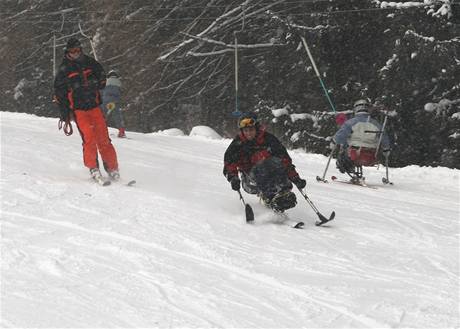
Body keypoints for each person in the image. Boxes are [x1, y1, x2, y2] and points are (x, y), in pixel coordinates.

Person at [53, 38, 120, 182]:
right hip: (79, 110)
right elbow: (60, 94)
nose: (75, 54)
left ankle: (112, 168)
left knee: (103, 139)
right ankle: (93, 167)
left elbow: (102, 75)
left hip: (94, 106)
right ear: (68, 52)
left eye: (78, 50)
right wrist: (65, 114)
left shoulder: (90, 62)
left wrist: (99, 82)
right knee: (89, 138)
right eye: (72, 51)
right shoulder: (64, 70)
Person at [223, 113, 306, 212]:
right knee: (262, 164)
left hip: (271, 176)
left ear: (257, 128)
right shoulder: (237, 144)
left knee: (274, 162)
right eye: (246, 131)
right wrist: (233, 178)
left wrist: (295, 177)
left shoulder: (269, 140)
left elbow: (284, 160)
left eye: (251, 130)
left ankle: (284, 195)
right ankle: (270, 197)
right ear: (242, 131)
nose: (249, 133)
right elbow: (229, 164)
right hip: (250, 180)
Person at [332, 99, 391, 180]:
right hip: (371, 155)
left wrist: (333, 142)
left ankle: (346, 168)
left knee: (343, 152)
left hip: (354, 154)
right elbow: (384, 138)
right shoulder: (376, 124)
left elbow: (339, 137)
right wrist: (386, 149)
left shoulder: (351, 123)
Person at [102, 70, 126, 138]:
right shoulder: (119, 83)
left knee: (102, 115)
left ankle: (100, 130)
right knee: (117, 115)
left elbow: (101, 91)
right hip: (115, 101)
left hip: (105, 100)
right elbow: (121, 92)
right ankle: (121, 131)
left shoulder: (105, 81)